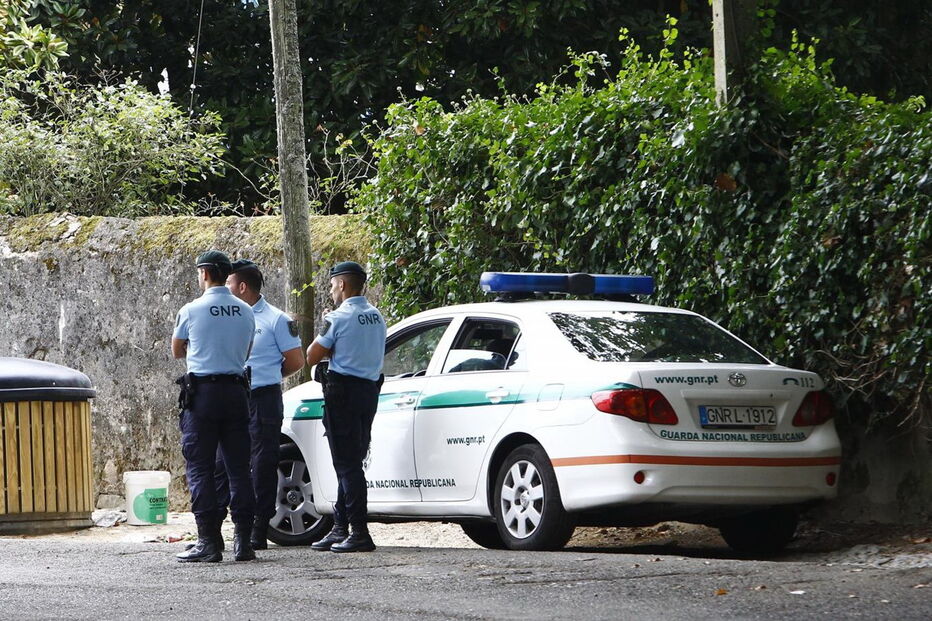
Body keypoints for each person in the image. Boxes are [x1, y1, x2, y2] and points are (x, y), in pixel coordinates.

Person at [211, 259, 305, 550]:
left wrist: (266, 377)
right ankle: (219, 528)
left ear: (242, 287)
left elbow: (296, 361)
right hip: (233, 397)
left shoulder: (276, 319)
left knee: (262, 463)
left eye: (228, 283)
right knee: (221, 463)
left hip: (263, 397)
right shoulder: (226, 317)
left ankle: (257, 528)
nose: (224, 288)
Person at [171, 250, 257, 563]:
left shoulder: (191, 310)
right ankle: (244, 543)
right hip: (236, 393)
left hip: (203, 395)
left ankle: (208, 541)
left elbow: (177, 350)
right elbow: (246, 351)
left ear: (205, 273)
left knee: (201, 467)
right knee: (239, 470)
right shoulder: (246, 311)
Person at [306, 261, 386, 553]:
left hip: (343, 395)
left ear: (341, 284)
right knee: (351, 461)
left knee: (347, 465)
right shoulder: (376, 316)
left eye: (331, 285)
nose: (330, 290)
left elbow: (312, 355)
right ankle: (340, 527)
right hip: (369, 392)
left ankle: (359, 531)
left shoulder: (338, 318)